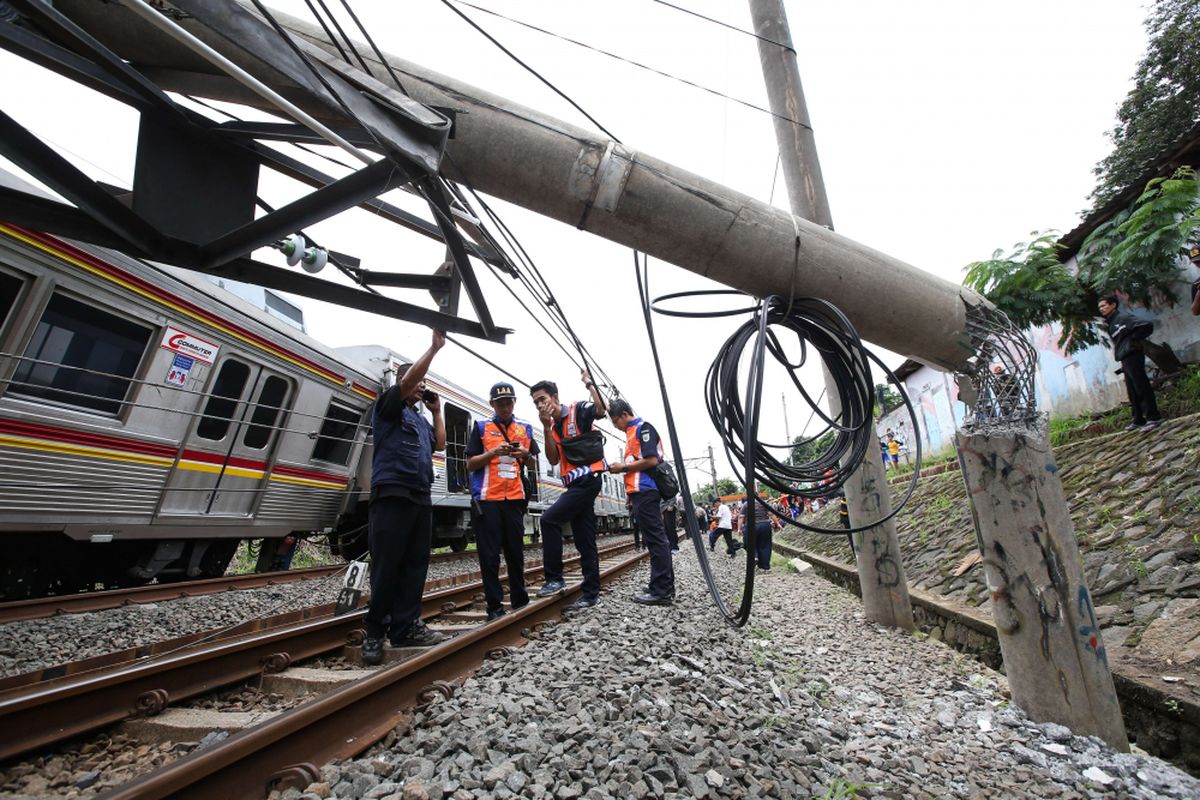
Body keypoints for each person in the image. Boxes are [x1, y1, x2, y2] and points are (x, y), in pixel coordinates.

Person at [362, 329, 448, 665]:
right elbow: (408, 382)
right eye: (418, 382)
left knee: (415, 564)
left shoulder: (420, 420)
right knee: (386, 565)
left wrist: (437, 410)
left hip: (419, 497)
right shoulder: (388, 407)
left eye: (425, 384)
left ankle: (405, 626)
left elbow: (440, 445)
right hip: (391, 494)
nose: (423, 387)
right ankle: (374, 631)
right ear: (403, 383)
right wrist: (433, 349)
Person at [530, 369, 608, 611]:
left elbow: (601, 409)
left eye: (542, 399)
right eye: (535, 403)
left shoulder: (577, 410)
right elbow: (553, 460)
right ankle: (591, 594)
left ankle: (554, 578)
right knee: (585, 540)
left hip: (589, 480)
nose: (540, 405)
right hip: (575, 485)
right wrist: (544, 428)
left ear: (555, 397)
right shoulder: (552, 427)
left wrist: (589, 383)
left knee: (549, 520)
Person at [464, 381, 539, 621]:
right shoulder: (482, 427)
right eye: (500, 403)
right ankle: (494, 607)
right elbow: (470, 463)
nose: (505, 407)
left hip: (514, 499)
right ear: (492, 404)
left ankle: (520, 600)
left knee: (515, 553)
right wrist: (493, 453)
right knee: (489, 556)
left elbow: (533, 464)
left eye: (508, 402)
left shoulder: (525, 428)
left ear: (514, 402)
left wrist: (525, 455)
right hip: (487, 499)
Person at [607, 399, 674, 605]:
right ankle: (661, 585)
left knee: (656, 540)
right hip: (640, 493)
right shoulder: (631, 433)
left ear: (625, 414)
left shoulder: (643, 429)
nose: (615, 425)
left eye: (616, 420)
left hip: (646, 491)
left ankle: (661, 591)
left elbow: (651, 460)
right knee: (654, 540)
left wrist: (623, 468)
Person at [1098, 295, 1163, 431]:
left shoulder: (1123, 317)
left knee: (1141, 386)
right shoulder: (1111, 322)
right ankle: (1139, 419)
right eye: (1099, 307)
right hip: (1125, 358)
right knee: (1132, 390)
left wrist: (1132, 340)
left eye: (1104, 305)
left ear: (1113, 305)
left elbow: (1146, 325)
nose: (1101, 309)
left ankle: (1154, 417)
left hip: (1133, 355)